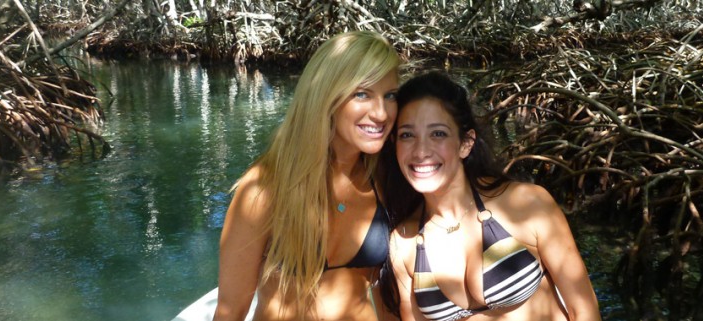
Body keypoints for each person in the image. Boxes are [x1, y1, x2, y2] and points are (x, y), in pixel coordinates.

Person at [379, 72, 601, 321]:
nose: (420, 151)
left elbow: (583, 309)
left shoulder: (527, 203)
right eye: (407, 135)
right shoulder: (403, 243)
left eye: (438, 133)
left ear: (466, 143)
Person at [214, 31, 400, 321]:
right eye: (362, 93)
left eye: (390, 95)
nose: (380, 112)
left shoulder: (384, 180)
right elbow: (230, 310)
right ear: (328, 96)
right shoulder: (264, 188)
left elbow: (386, 296)